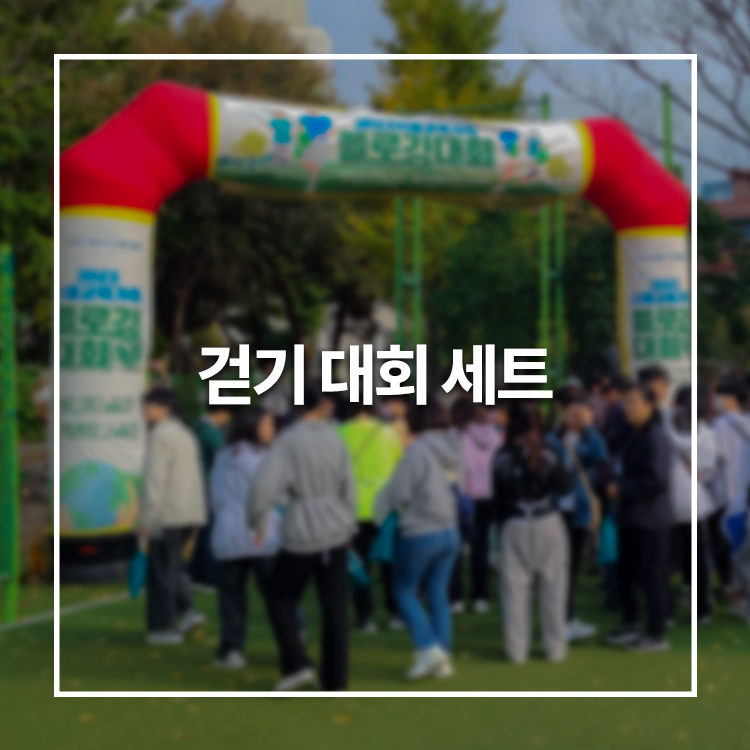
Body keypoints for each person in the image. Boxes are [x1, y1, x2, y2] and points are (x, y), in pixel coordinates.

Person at [246, 381, 356, 692]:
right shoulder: (336, 439)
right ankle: (335, 680)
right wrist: (348, 523)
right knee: (335, 606)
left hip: (302, 528)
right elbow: (348, 486)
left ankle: (297, 663)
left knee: (279, 596)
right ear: (322, 404)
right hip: (334, 529)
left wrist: (256, 519)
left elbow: (264, 485)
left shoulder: (289, 440)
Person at [375, 396, 461, 681]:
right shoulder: (453, 447)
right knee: (438, 593)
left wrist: (378, 512)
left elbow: (398, 491)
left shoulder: (417, 451)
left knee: (404, 591)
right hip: (450, 529)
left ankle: (428, 647)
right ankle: (442, 656)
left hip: (421, 530)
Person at [493, 402, 573, 664]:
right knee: (554, 590)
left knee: (514, 592)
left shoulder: (502, 454)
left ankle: (516, 651)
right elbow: (565, 486)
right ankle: (555, 649)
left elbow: (497, 498)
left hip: (514, 523)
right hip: (547, 521)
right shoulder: (549, 450)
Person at [210, 406, 282, 669]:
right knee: (277, 595)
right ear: (254, 427)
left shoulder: (223, 456)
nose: (272, 431)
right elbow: (276, 495)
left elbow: (215, 495)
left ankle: (232, 650)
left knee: (231, 597)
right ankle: (291, 642)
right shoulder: (267, 458)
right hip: (263, 533)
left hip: (228, 533)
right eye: (268, 425)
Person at [604, 382, 673, 652]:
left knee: (652, 576)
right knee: (626, 573)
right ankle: (631, 622)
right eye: (625, 401)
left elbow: (657, 480)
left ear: (650, 405)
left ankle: (656, 633)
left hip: (650, 519)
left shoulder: (655, 437)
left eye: (632, 402)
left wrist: (623, 489)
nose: (627, 407)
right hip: (631, 516)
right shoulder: (632, 433)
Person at [139, 387, 207, 645]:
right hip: (189, 511)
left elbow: (155, 480)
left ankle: (164, 627)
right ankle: (187, 612)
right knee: (173, 567)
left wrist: (147, 519)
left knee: (161, 572)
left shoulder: (160, 436)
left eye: (149, 406)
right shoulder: (185, 433)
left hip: (167, 513)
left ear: (165, 408)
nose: (144, 411)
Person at [338, 403, 403, 633]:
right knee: (390, 563)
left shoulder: (340, 433)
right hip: (385, 504)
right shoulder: (388, 433)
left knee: (358, 564)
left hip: (353, 505)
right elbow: (400, 466)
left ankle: (365, 616)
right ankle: (396, 613)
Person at [548, 392, 607, 642]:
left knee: (571, 567)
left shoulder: (589, 438)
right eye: (570, 411)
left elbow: (601, 455)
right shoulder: (553, 438)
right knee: (557, 567)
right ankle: (560, 621)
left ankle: (567, 618)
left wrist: (589, 428)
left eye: (581, 412)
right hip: (556, 509)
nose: (575, 416)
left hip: (579, 510)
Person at [450, 397, 502, 614]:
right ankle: (480, 596)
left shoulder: (455, 436)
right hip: (488, 494)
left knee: (456, 548)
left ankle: (456, 598)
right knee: (481, 547)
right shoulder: (494, 435)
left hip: (463, 495)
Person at [712, 375, 750, 620]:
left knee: (738, 552)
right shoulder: (731, 421)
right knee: (737, 550)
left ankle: (738, 595)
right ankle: (738, 596)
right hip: (739, 496)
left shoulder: (725, 423)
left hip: (733, 495)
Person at [190, 404, 232, 587]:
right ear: (221, 412)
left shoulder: (196, 427)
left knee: (205, 531)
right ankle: (209, 576)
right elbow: (224, 460)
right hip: (210, 485)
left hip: (197, 484)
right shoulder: (212, 433)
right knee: (211, 531)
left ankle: (196, 572)